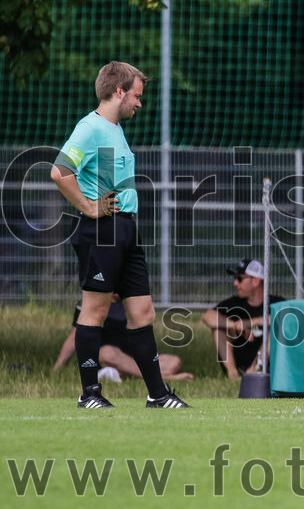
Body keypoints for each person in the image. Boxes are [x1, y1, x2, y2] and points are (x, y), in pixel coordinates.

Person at [50, 61, 190, 408]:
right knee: (94, 311)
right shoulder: (90, 128)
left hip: (124, 228)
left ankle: (158, 395)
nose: (139, 104)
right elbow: (59, 171)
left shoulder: (115, 130)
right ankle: (90, 395)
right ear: (119, 91)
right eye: (136, 96)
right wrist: (88, 207)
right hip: (102, 229)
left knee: (143, 313)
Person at [54, 295, 193, 382]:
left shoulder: (132, 301)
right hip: (105, 358)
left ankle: (125, 374)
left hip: (131, 359)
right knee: (107, 352)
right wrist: (57, 369)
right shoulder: (92, 301)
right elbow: (74, 337)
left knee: (174, 361)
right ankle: (159, 378)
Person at [201, 259, 284, 380]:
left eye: (239, 279)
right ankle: (233, 373)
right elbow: (207, 317)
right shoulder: (233, 303)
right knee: (218, 329)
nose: (235, 283)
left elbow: (287, 318)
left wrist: (250, 322)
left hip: (266, 365)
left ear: (255, 281)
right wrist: (234, 325)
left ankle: (255, 370)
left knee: (277, 329)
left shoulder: (276, 303)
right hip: (239, 360)